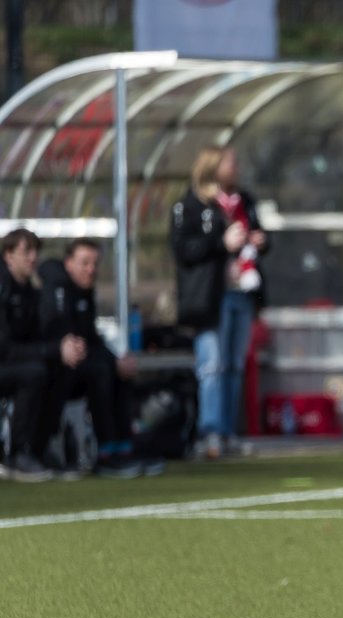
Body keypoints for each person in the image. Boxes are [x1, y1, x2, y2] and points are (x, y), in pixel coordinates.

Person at [170, 146, 268, 460]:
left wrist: (260, 241)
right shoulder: (192, 205)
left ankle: (227, 432)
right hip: (211, 296)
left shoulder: (245, 202)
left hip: (242, 292)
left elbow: (260, 238)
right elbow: (183, 250)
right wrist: (220, 244)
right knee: (211, 365)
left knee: (234, 366)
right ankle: (209, 432)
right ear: (213, 166)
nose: (237, 167)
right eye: (231, 162)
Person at [39, 238, 164, 478]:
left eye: (95, 263)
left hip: (80, 366)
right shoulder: (56, 289)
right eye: (84, 263)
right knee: (101, 370)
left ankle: (124, 447)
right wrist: (61, 348)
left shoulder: (85, 295)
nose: (91, 269)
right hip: (56, 370)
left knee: (119, 370)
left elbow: (92, 339)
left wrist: (117, 360)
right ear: (68, 263)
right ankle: (106, 454)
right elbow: (52, 333)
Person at [0, 228, 85, 481]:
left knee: (61, 369)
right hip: (6, 363)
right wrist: (52, 350)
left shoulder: (31, 291)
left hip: (14, 363)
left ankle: (38, 450)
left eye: (36, 251)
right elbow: (3, 348)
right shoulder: (3, 289)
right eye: (26, 252)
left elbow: (41, 334)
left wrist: (66, 345)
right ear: (8, 256)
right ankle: (17, 453)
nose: (33, 258)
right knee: (34, 373)